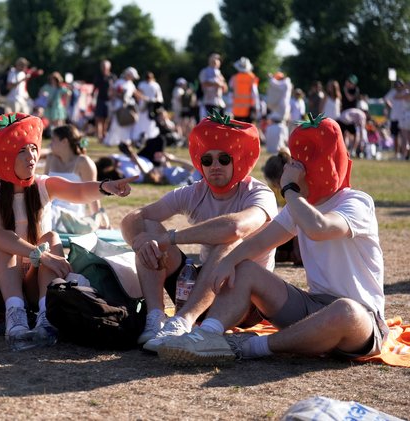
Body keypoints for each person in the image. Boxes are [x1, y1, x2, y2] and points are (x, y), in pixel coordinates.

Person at [157, 114, 386, 366]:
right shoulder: (299, 207)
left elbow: (318, 228)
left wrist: (289, 190)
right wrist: (228, 263)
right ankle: (207, 335)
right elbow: (259, 242)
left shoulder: (356, 201)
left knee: (345, 310)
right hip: (313, 307)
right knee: (245, 268)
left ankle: (252, 346)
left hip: (363, 320)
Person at [0, 112, 136, 351]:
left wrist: (105, 187)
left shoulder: (42, 185)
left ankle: (45, 315)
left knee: (51, 237)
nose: (31, 157)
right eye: (21, 151)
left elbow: (78, 191)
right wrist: (41, 255)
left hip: (31, 280)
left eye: (33, 149)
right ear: (5, 157)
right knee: (5, 239)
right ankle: (15, 315)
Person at [121, 112, 278, 353]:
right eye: (207, 160)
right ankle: (156, 319)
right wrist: (140, 242)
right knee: (148, 230)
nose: (215, 166)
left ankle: (183, 322)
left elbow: (235, 228)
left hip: (246, 297)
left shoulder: (259, 193)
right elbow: (133, 218)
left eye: (224, 159)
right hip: (205, 286)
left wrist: (171, 238)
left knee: (230, 242)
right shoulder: (194, 192)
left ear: (238, 159)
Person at [45, 124, 110, 233]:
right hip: (50, 209)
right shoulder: (51, 159)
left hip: (72, 216)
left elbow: (93, 194)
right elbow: (43, 190)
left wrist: (98, 219)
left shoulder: (83, 162)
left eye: (53, 140)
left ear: (64, 141)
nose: (50, 144)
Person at [103, 66, 143, 146]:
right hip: (119, 105)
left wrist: (145, 98)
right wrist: (120, 97)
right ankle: (112, 140)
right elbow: (113, 93)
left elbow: (136, 93)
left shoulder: (131, 84)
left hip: (128, 106)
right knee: (116, 122)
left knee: (127, 122)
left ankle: (124, 140)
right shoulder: (119, 82)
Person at [133, 71, 164, 143]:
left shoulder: (155, 85)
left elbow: (158, 96)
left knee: (150, 121)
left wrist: (155, 102)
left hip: (151, 106)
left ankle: (149, 136)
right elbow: (138, 94)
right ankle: (141, 136)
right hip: (143, 105)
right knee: (142, 120)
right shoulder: (143, 84)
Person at [229, 57, 259, 123]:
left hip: (236, 110)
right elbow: (255, 93)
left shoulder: (234, 78)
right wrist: (256, 106)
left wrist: (229, 108)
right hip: (248, 110)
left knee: (237, 130)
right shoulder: (252, 77)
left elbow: (230, 94)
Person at [92, 60, 116, 141]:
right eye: (102, 66)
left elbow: (115, 88)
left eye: (105, 66)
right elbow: (94, 88)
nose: (104, 68)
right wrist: (92, 99)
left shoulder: (112, 77)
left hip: (109, 101)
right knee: (99, 118)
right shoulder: (98, 76)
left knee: (107, 119)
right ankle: (99, 136)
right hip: (100, 99)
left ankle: (104, 134)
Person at [198, 53, 227, 117]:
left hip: (220, 102)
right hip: (209, 101)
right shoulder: (205, 71)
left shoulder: (219, 73)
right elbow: (203, 84)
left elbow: (225, 88)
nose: (216, 61)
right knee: (212, 122)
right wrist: (215, 84)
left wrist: (222, 85)